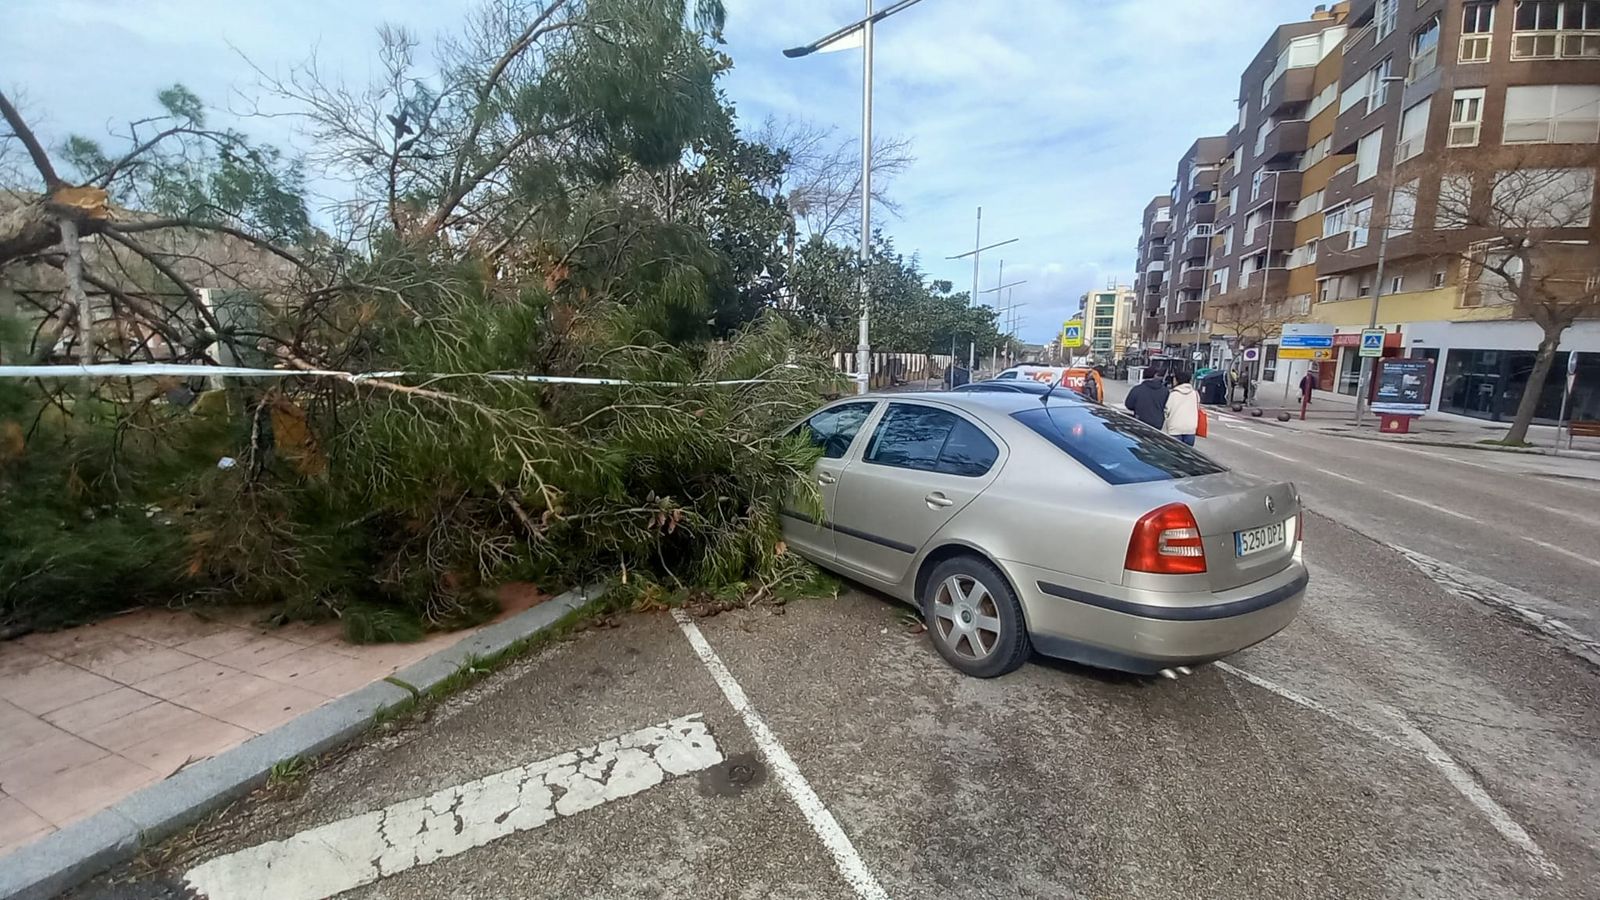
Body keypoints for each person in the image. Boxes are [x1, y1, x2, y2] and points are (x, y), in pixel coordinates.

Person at [1164, 371, 1201, 446]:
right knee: (1187, 454)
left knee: (1174, 453)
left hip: (1175, 429)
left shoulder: (1173, 394)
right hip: (1190, 429)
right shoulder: (1195, 394)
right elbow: (1197, 408)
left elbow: (1167, 410)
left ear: (1177, 380)